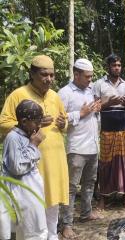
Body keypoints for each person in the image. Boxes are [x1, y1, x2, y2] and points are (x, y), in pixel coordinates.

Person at [0, 55, 69, 239]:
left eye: (52, 75)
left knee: (53, 207)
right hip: (32, 164)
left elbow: (65, 121)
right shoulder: (18, 94)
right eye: (44, 74)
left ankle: (53, 236)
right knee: (33, 209)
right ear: (32, 74)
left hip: (55, 161)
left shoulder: (55, 96)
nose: (49, 79)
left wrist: (64, 124)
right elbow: (3, 123)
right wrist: (34, 124)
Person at [58, 59, 103, 239]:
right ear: (76, 74)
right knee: (70, 187)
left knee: (90, 182)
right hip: (76, 147)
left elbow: (93, 115)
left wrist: (97, 109)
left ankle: (86, 212)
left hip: (93, 145)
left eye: (92, 77)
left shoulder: (91, 90)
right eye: (87, 77)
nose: (90, 80)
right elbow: (59, 119)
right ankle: (66, 224)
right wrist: (80, 114)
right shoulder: (64, 93)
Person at [0, 100, 46, 239]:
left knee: (34, 229)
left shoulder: (26, 134)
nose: (39, 125)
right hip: (21, 194)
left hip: (28, 192)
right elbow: (17, 168)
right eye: (36, 121)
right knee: (28, 230)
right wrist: (33, 145)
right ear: (24, 121)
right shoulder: (13, 137)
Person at [93, 54, 125, 209]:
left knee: (123, 162)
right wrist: (109, 102)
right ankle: (103, 197)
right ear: (108, 67)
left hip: (123, 128)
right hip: (107, 129)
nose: (117, 68)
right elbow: (95, 107)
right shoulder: (99, 84)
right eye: (114, 65)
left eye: (119, 65)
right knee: (105, 163)